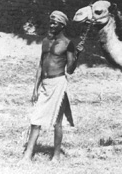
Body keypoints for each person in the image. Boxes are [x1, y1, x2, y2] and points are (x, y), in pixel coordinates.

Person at [23, 11, 80, 162]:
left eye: (55, 23)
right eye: (51, 22)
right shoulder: (46, 42)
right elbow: (40, 66)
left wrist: (76, 56)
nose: (51, 25)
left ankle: (56, 156)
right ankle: (27, 155)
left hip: (58, 83)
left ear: (62, 25)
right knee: (35, 120)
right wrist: (35, 88)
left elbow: (70, 69)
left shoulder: (67, 44)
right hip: (45, 84)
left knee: (57, 122)